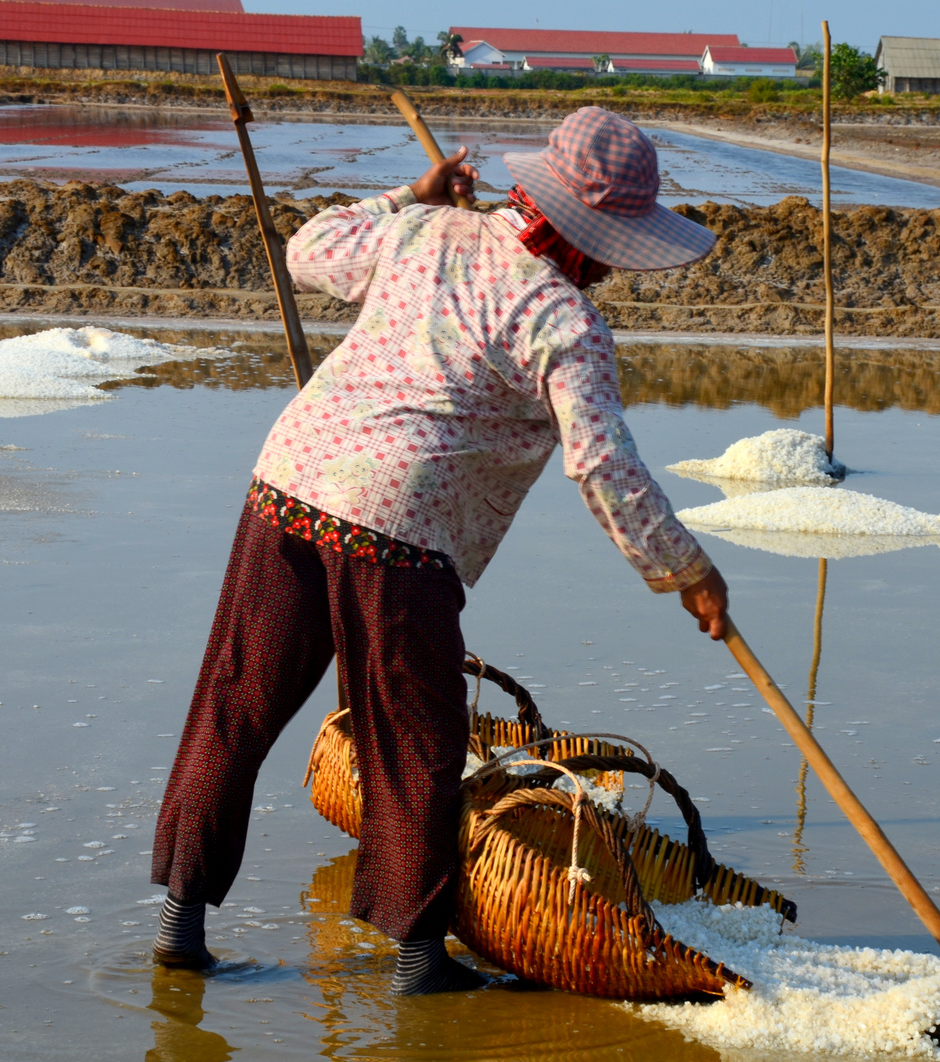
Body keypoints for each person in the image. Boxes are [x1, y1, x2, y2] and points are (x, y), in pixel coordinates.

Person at [150, 107, 729, 993]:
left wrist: (404, 197)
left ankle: (180, 922)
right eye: (615, 242)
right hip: (399, 526)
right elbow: (604, 466)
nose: (615, 263)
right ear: (595, 236)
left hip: (290, 482)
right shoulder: (564, 319)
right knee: (416, 737)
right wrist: (687, 571)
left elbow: (312, 249)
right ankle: (419, 958)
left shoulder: (423, 230)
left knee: (236, 698)